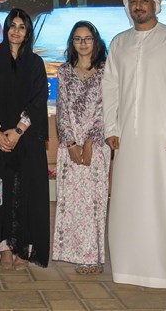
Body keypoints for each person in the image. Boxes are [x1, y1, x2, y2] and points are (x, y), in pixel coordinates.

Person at [103, 0, 166, 292]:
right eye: (133, 1)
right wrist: (112, 128)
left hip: (165, 139)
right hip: (130, 139)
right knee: (131, 202)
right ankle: (131, 268)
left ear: (156, 6)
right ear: (128, 7)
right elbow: (110, 88)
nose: (139, 6)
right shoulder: (119, 43)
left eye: (145, 1)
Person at [0, 8, 50, 269]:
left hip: (26, 140)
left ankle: (23, 249)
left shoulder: (36, 63)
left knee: (26, 192)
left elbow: (39, 101)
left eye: (21, 27)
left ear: (27, 32)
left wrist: (17, 131)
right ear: (6, 30)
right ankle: (4, 247)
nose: (16, 31)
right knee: (1, 193)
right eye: (12, 26)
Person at [52, 21, 110, 274]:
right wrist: (71, 143)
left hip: (97, 146)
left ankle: (93, 257)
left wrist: (89, 143)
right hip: (70, 147)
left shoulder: (107, 70)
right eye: (77, 39)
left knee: (94, 202)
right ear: (71, 43)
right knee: (72, 203)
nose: (83, 43)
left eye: (87, 38)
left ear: (95, 42)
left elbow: (106, 109)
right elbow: (61, 110)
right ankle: (75, 254)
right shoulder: (63, 72)